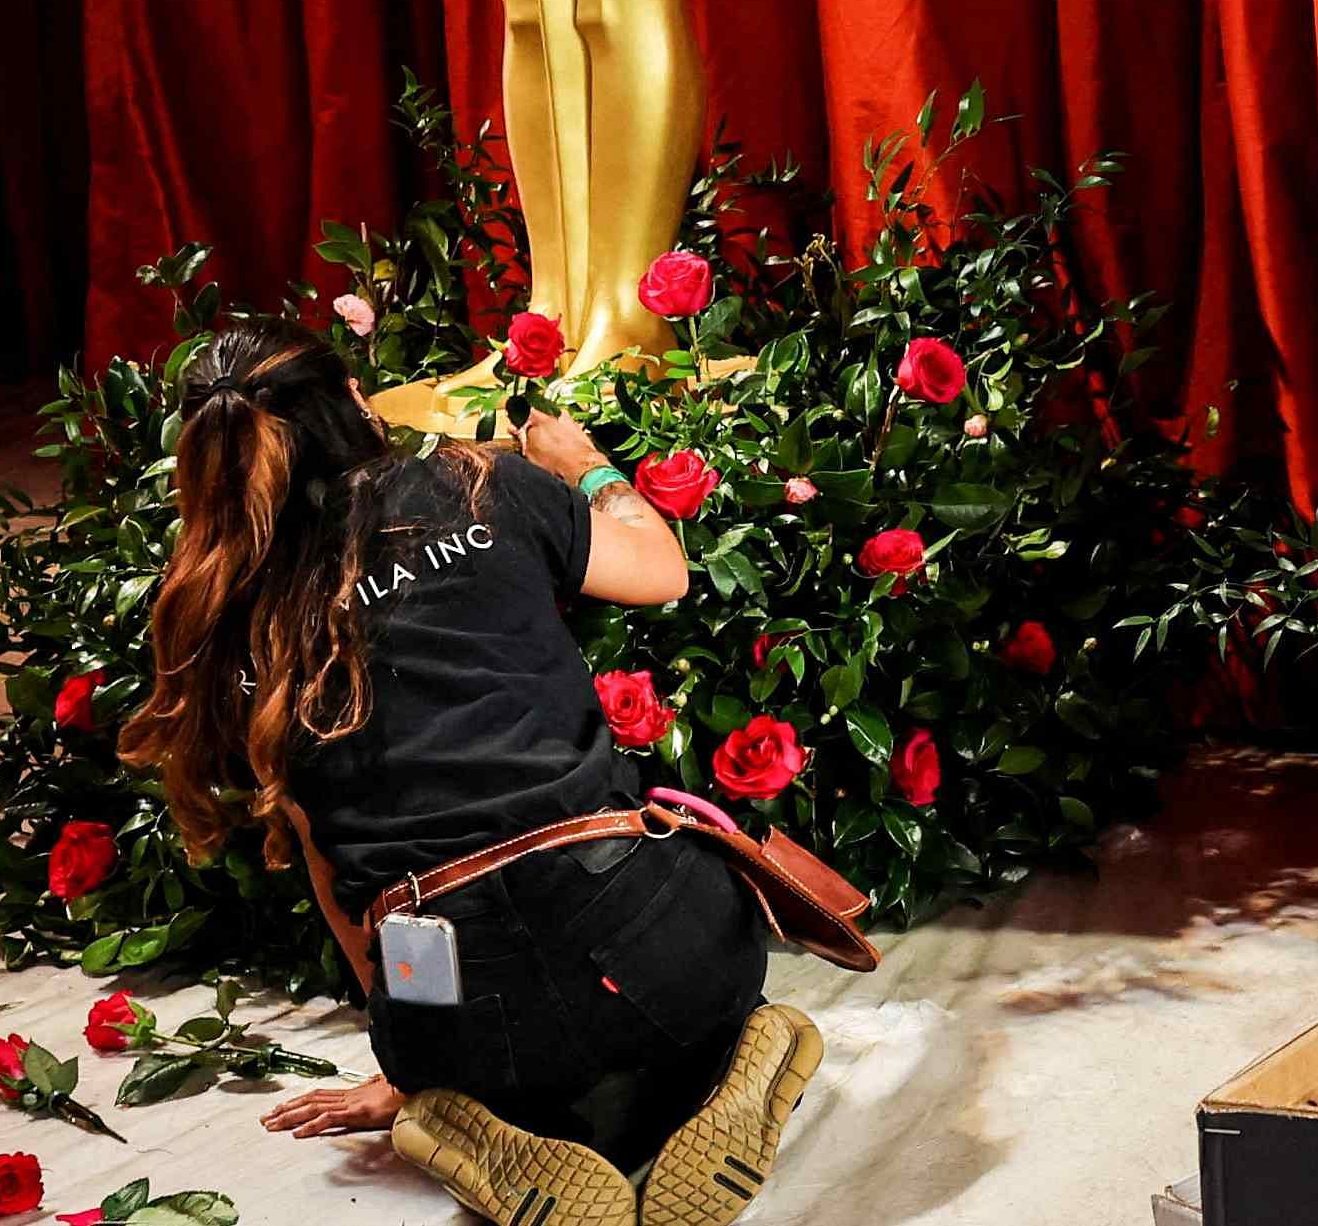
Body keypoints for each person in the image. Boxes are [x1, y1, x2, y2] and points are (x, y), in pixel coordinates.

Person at [124, 320, 818, 1226]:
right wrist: (585, 462)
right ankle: (735, 1062)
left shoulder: (222, 621)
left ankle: (473, 1115)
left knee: (494, 1056)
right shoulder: (470, 482)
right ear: (358, 404)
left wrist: (412, 1052)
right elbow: (663, 572)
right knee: (692, 976)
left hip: (459, 997)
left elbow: (335, 875)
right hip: (657, 943)